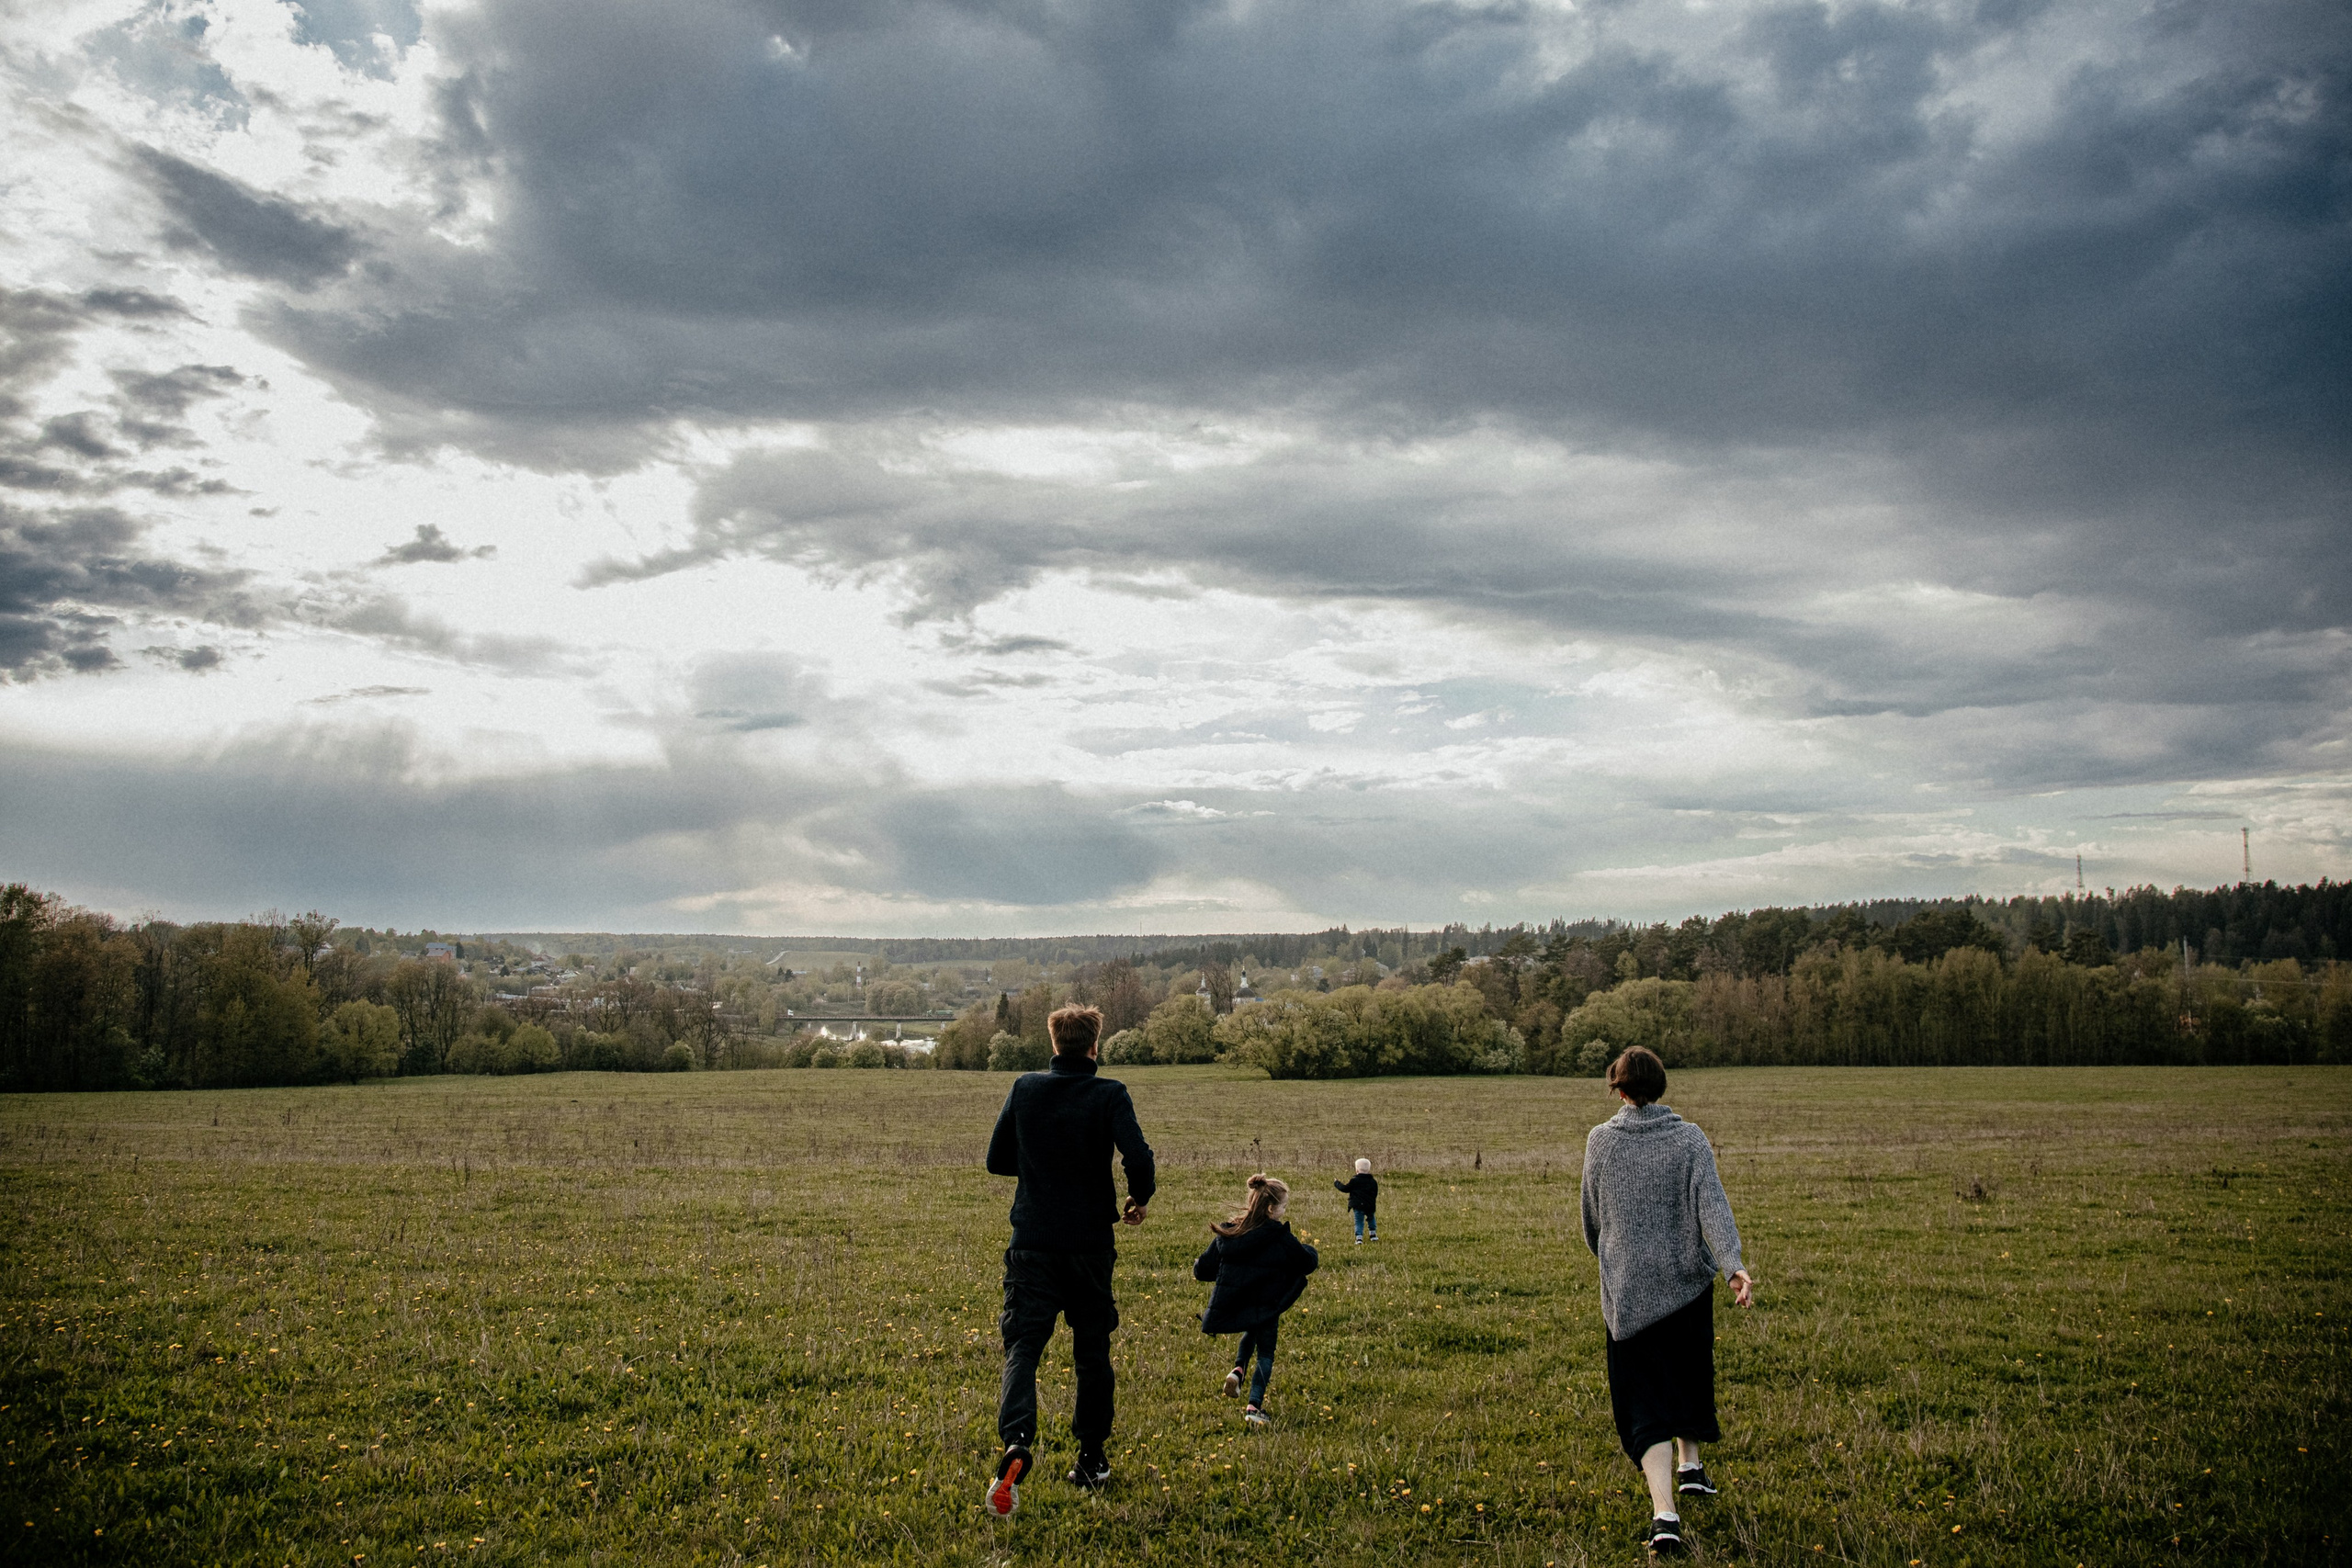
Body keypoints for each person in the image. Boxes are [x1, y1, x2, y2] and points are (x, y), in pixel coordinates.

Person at [1579, 1046, 1755, 1559]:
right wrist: (1732, 1265)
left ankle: (1667, 1512)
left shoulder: (1601, 1143)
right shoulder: (1690, 1138)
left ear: (1618, 1089)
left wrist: (1615, 1260)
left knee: (1646, 1404)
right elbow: (1713, 1207)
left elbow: (1591, 1221)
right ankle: (1692, 1468)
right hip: (1686, 1289)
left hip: (1629, 1294)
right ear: (1661, 1086)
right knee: (1688, 1378)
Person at [981, 1004, 1155, 1517]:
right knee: (1092, 1352)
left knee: (1023, 1348)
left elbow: (996, 1160)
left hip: (1032, 1241)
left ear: (1054, 1044)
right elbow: (1138, 1155)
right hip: (1089, 1246)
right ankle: (1091, 1458)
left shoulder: (1024, 1088)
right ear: (1094, 1045)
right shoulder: (1110, 1094)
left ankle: (1016, 1442)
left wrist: (1037, 1166)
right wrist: (1138, 1197)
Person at [1193, 1173, 1319, 1429]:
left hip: (1241, 1302)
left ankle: (1238, 1371)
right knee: (1266, 1354)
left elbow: (1202, 1269)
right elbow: (1306, 1263)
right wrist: (1311, 1250)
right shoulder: (1280, 1237)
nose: (1285, 1211)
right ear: (1272, 1208)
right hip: (1267, 1304)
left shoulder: (1230, 1231)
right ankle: (1254, 1407)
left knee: (1252, 1328)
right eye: (1284, 1206)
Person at [1335, 1156, 1379, 1242]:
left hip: (1358, 1205)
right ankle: (1373, 1234)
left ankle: (1359, 1238)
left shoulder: (1355, 1180)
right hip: (1370, 1205)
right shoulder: (1373, 1181)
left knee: (1359, 1221)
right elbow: (1375, 1193)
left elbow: (1345, 1189)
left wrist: (1337, 1183)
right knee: (1371, 1218)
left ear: (1357, 1170)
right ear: (1368, 1169)